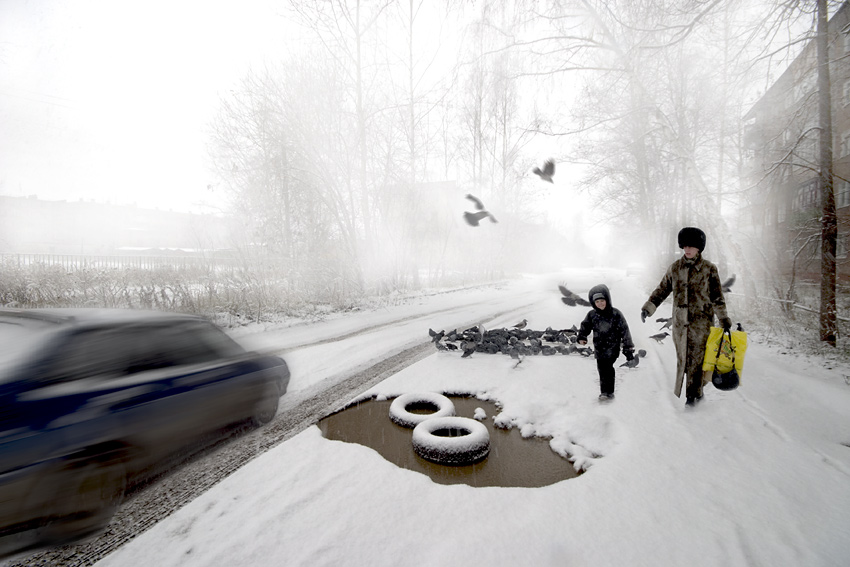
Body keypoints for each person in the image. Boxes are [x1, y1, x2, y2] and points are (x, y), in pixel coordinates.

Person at [640, 227, 731, 407]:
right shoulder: (675, 268)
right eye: (685, 246)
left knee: (697, 360)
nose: (687, 249)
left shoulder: (709, 269)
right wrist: (649, 308)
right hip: (680, 325)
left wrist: (724, 319)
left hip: (702, 325)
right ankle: (696, 391)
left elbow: (717, 297)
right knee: (685, 359)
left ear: (699, 248)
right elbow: (662, 290)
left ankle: (693, 396)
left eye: (692, 246)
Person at [577, 284, 635, 401]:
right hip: (599, 347)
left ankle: (608, 392)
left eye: (602, 301)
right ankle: (605, 392)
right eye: (597, 302)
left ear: (607, 300)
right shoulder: (592, 315)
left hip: (612, 347)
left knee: (607, 367)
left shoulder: (616, 314)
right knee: (602, 368)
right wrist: (582, 336)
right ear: (593, 303)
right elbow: (585, 326)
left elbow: (625, 331)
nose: (600, 304)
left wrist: (628, 348)